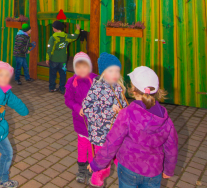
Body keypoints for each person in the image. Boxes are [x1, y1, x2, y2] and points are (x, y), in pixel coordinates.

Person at [88, 66, 178, 188]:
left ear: (133, 90)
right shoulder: (165, 118)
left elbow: (112, 142)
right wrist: (168, 170)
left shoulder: (127, 114)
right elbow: (172, 147)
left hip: (128, 168)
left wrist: (97, 164)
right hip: (153, 171)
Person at [82, 52, 128, 187]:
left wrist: (124, 111)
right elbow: (87, 108)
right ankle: (97, 180)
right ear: (103, 72)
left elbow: (124, 105)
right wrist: (108, 112)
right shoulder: (96, 88)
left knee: (122, 157)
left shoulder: (119, 87)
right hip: (101, 133)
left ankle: (129, 176)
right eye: (111, 70)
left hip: (117, 132)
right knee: (103, 160)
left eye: (117, 71)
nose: (115, 74)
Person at [65, 52, 97, 183]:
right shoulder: (72, 82)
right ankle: (82, 169)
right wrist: (78, 108)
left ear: (90, 66)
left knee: (93, 146)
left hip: (95, 121)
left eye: (84, 66)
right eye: (78, 67)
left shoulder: (96, 80)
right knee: (83, 145)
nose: (81, 70)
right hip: (80, 121)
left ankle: (92, 168)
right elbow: (68, 99)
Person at [46, 20, 80, 94]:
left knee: (52, 74)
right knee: (63, 74)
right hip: (63, 60)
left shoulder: (52, 38)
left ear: (55, 29)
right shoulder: (66, 36)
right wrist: (77, 29)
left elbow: (49, 49)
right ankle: (62, 89)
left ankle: (51, 88)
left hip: (53, 60)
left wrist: (47, 58)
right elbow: (75, 37)